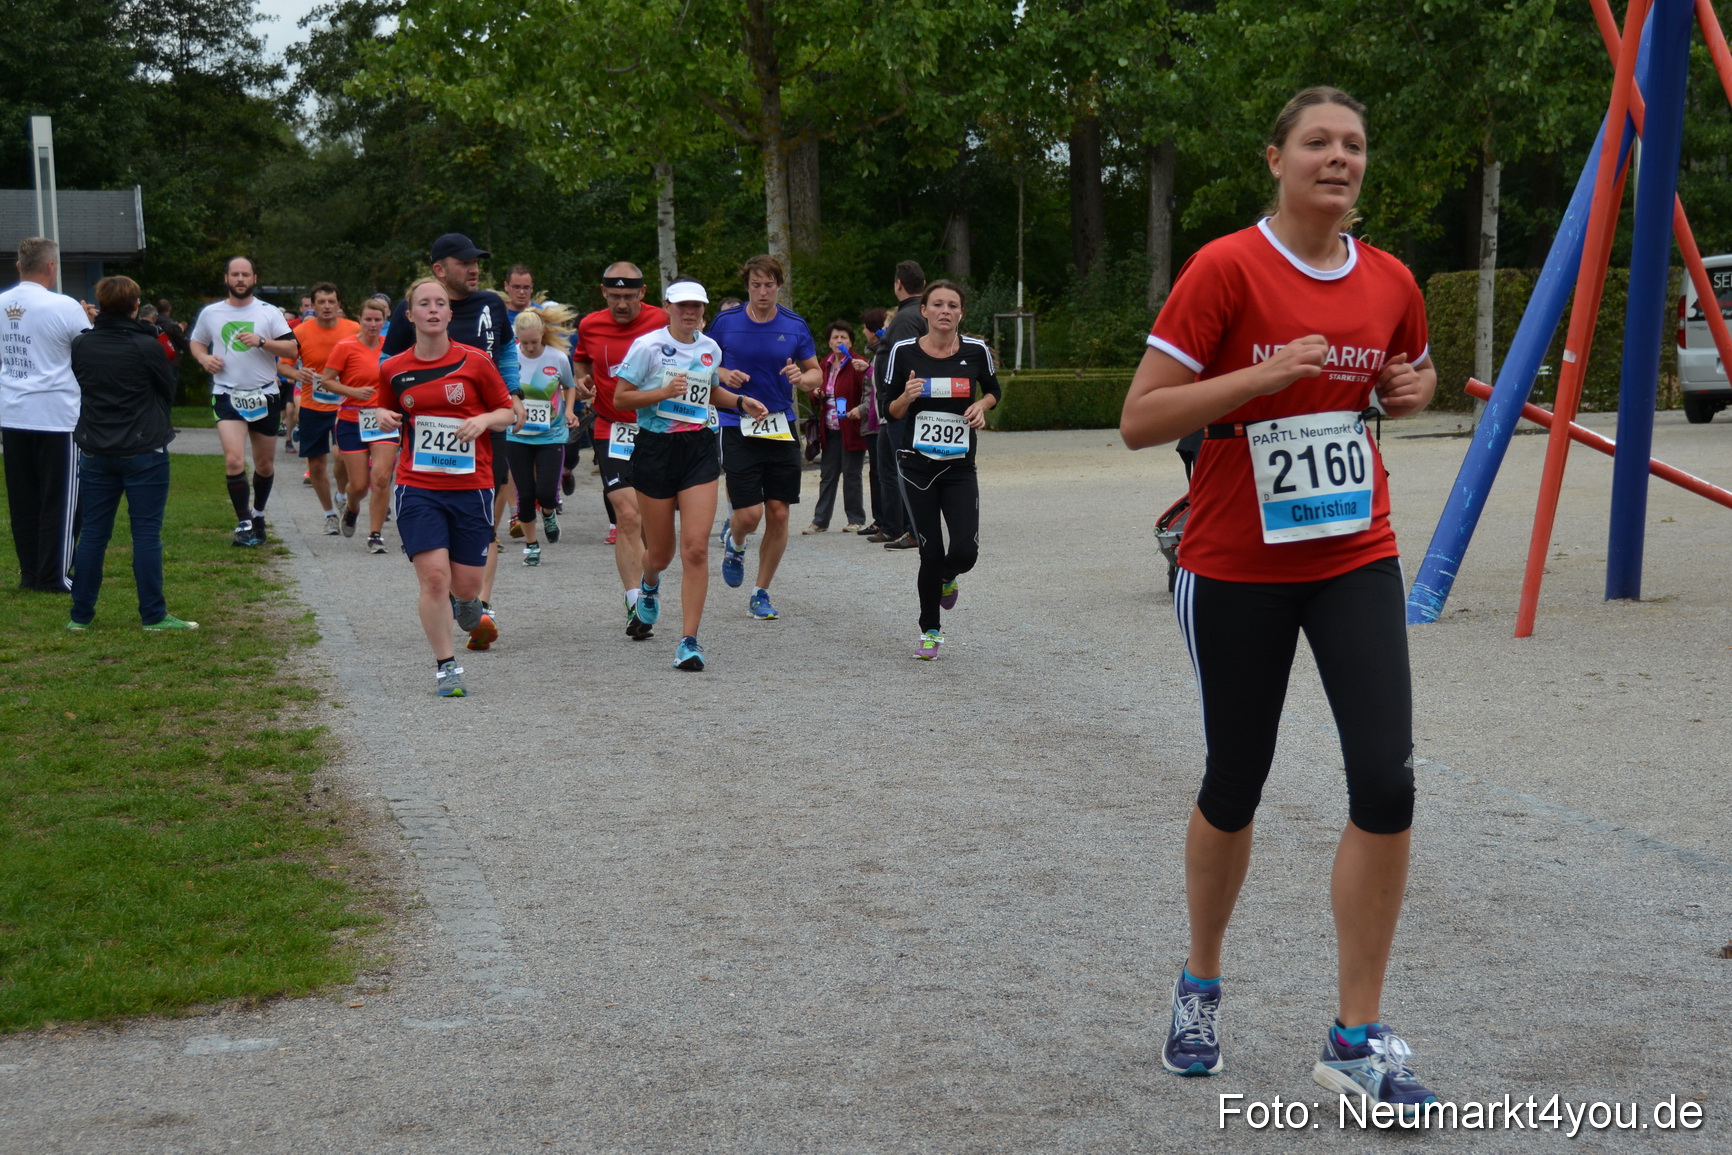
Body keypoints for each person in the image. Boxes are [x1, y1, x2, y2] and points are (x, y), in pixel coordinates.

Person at [1118, 87, 1439, 1120]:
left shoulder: (1390, 279)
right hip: (1233, 564)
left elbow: (1411, 372)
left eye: (1352, 143)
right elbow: (1140, 418)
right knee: (1236, 778)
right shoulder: (1225, 269)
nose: (1337, 158)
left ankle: (1355, 1039)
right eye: (1317, 142)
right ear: (1276, 158)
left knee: (1385, 782)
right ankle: (1200, 981)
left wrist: (1410, 391)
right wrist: (1256, 381)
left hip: (1354, 552)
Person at [613, 280, 767, 670]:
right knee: (661, 554)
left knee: (695, 549)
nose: (690, 313)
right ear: (667, 306)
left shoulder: (709, 348)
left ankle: (689, 641)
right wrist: (661, 393)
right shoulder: (647, 347)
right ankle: (649, 585)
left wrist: (740, 401)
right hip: (655, 450)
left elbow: (710, 392)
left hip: (698, 448)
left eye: (697, 307)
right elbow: (621, 397)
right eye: (683, 306)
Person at [376, 276, 515, 696]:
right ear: (411, 314)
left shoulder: (474, 362)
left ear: (450, 315)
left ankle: (469, 604)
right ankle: (446, 666)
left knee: (465, 584)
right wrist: (383, 419)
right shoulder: (393, 368)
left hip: (471, 486)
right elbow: (383, 410)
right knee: (434, 578)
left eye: (440, 303)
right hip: (418, 487)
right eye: (424, 303)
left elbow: (508, 412)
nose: (433, 309)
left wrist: (483, 421)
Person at [65, 275, 195, 630]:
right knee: (146, 533)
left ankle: (81, 616)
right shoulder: (147, 346)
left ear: (100, 305)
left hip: (95, 447)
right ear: (136, 306)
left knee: (93, 533)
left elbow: (81, 381)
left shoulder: (82, 345)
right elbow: (166, 388)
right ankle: (153, 615)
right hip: (144, 449)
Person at [881, 281, 999, 659]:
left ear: (961, 312)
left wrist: (983, 405)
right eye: (938, 304)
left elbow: (994, 390)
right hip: (916, 465)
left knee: (965, 552)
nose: (945, 310)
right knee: (930, 552)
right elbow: (889, 410)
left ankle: (948, 577)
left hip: (960, 466)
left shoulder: (976, 351)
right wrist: (905, 397)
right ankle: (930, 630)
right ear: (925, 311)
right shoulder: (903, 352)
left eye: (953, 305)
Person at [707, 255, 820, 619]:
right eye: (756, 285)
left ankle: (761, 592)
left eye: (769, 285)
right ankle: (735, 543)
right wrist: (724, 372)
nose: (762, 291)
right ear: (747, 287)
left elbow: (815, 372)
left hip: (780, 423)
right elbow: (703, 362)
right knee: (750, 514)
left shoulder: (794, 325)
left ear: (778, 286)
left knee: (780, 513)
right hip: (736, 422)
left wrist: (802, 380)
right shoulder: (725, 322)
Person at [572, 261, 669, 638]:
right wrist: (582, 380)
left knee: (651, 521)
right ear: (603, 293)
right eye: (615, 296)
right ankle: (635, 604)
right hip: (611, 427)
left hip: (658, 428)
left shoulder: (663, 320)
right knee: (627, 515)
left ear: (642, 293)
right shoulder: (590, 325)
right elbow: (582, 359)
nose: (622, 304)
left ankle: (649, 584)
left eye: (630, 296)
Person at [188, 256, 297, 547]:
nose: (240, 279)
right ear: (226, 278)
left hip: (264, 394)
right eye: (234, 274)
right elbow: (196, 342)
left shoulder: (268, 312)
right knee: (234, 459)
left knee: (264, 465)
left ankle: (258, 515)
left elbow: (292, 349)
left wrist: (263, 342)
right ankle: (244, 522)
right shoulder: (212, 313)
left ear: (254, 278)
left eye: (245, 274)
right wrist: (203, 358)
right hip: (227, 394)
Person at [0, 238, 90, 592]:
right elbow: (87, 351)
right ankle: (54, 576)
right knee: (62, 500)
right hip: (56, 415)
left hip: (12, 411)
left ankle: (31, 574)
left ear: (19, 266)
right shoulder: (65, 306)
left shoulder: (1, 303)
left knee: (24, 499)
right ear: (52, 266)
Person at [507, 303, 589, 565]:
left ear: (542, 333)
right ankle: (531, 545)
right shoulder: (510, 358)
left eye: (534, 342)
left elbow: (569, 386)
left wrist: (568, 411)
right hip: (517, 434)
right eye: (524, 342)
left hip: (550, 434)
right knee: (526, 494)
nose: (530, 348)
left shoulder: (556, 357)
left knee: (545, 492)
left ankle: (550, 513)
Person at [286, 282, 361, 535]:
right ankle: (329, 514)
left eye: (331, 302)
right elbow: (282, 365)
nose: (327, 306)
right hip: (313, 405)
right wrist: (297, 373)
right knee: (316, 464)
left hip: (346, 406)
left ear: (339, 305)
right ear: (313, 305)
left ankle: (341, 495)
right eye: (321, 302)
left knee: (342, 456)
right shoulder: (301, 332)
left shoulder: (354, 329)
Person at [324, 297, 395, 550]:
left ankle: (375, 535)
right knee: (360, 485)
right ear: (360, 320)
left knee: (382, 478)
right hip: (351, 420)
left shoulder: (391, 348)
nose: (373, 324)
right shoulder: (345, 347)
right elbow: (327, 381)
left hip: (383, 420)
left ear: (384, 321)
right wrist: (353, 392)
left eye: (378, 320)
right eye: (368, 319)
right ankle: (352, 507)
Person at [803, 320, 869, 534]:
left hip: (852, 427)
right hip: (829, 428)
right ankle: (820, 521)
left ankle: (856, 519)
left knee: (852, 474)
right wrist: (816, 394)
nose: (839, 341)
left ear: (851, 342)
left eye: (844, 338)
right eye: (835, 338)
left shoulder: (859, 364)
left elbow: (868, 393)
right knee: (828, 475)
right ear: (829, 342)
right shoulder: (824, 364)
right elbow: (813, 390)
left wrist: (859, 410)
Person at [853, 306, 890, 538]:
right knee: (876, 472)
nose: (863, 332)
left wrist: (861, 410)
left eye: (865, 328)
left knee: (881, 473)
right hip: (874, 422)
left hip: (878, 422)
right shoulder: (876, 355)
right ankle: (881, 520)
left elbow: (878, 391)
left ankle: (886, 522)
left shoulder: (882, 354)